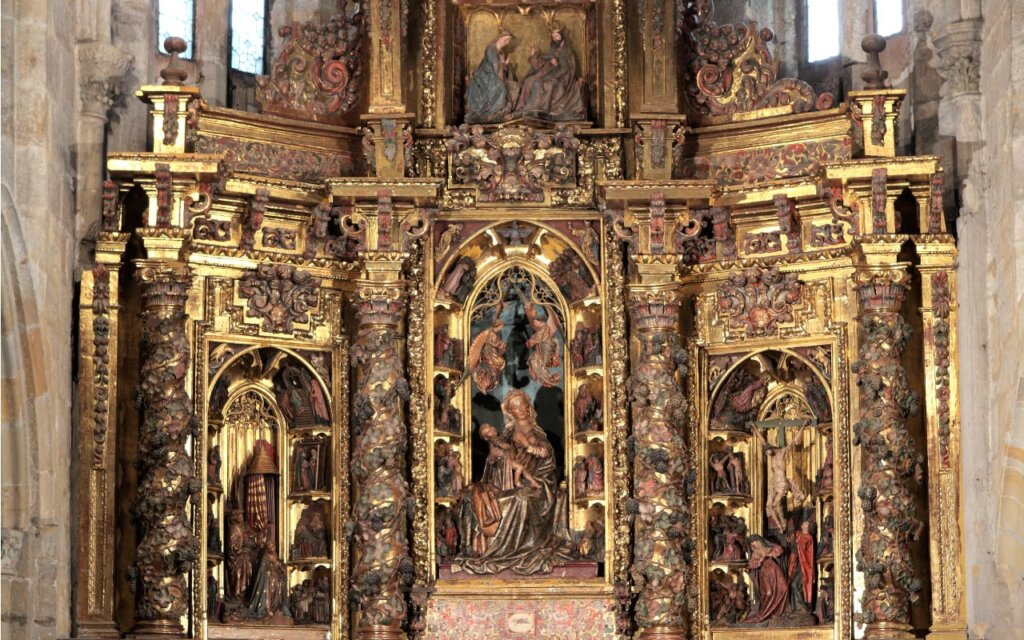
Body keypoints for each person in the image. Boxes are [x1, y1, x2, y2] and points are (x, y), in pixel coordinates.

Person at [514, 23, 585, 121]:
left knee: (542, 84)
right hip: (548, 74)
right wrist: (534, 55)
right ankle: (525, 108)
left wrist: (556, 66)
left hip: (562, 77)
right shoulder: (552, 50)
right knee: (529, 81)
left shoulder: (567, 51)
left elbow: (568, 68)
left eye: (556, 36)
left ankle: (541, 109)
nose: (555, 39)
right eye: (553, 37)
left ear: (562, 36)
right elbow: (542, 63)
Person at [466, 30, 519, 123]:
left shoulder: (499, 52)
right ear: (501, 38)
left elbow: (500, 67)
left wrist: (505, 65)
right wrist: (502, 64)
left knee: (513, 86)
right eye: (506, 40)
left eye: (508, 41)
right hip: (485, 74)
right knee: (500, 87)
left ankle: (500, 112)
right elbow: (493, 64)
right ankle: (491, 111)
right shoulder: (490, 48)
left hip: (494, 73)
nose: (507, 43)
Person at [747, 535, 789, 623]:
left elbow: (780, 550)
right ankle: (765, 613)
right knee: (768, 593)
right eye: (752, 544)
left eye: (756, 542)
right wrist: (760, 560)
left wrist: (769, 553)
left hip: (774, 569)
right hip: (765, 572)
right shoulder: (755, 553)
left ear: (760, 541)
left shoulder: (768, 547)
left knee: (784, 588)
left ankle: (778, 613)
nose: (755, 545)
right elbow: (751, 565)